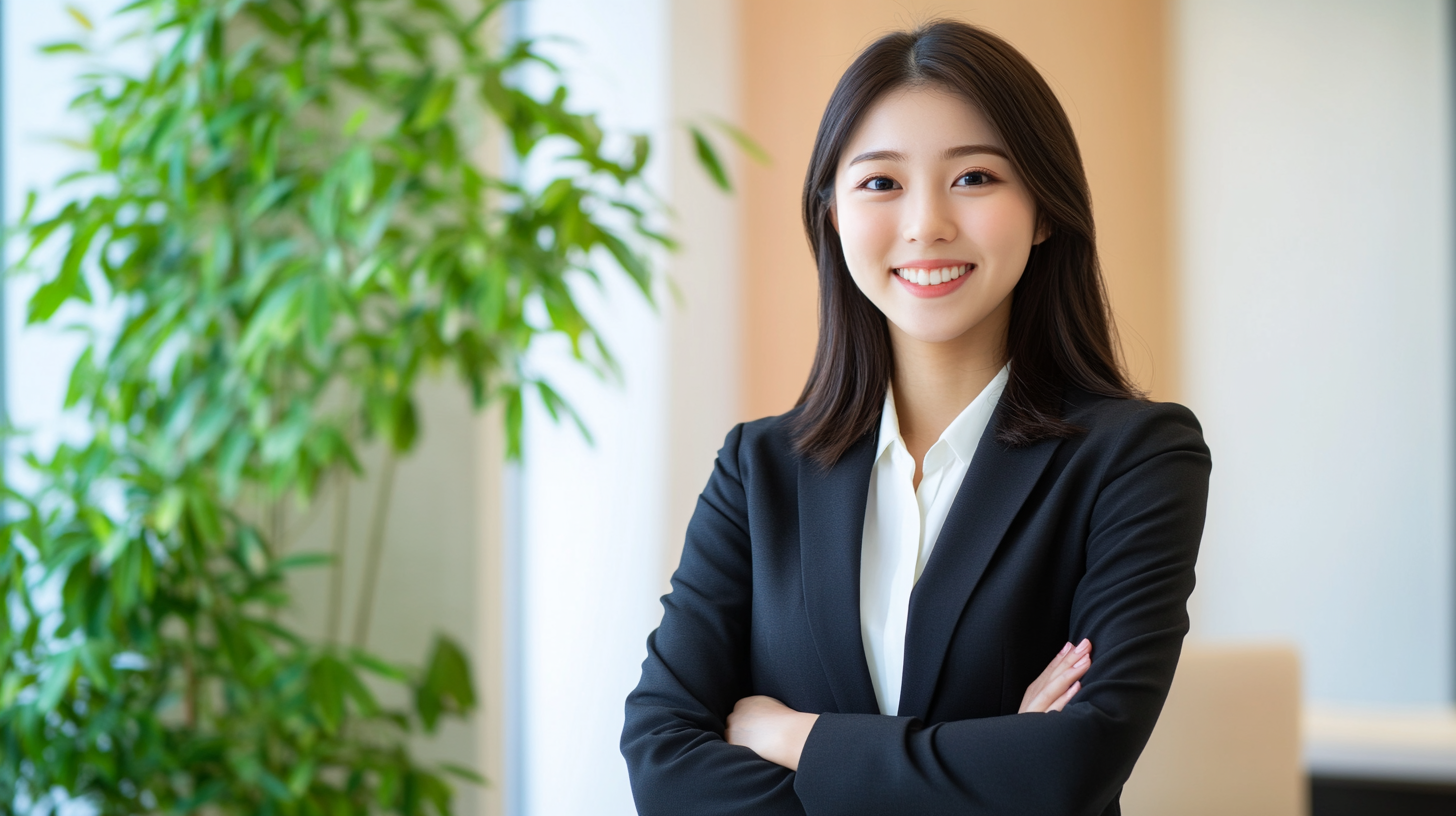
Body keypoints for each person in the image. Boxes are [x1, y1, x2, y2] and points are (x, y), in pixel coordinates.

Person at [621, 19, 1210, 816]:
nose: (926, 223)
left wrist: (794, 737)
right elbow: (662, 763)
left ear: (1044, 210)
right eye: (880, 183)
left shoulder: (1136, 459)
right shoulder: (757, 470)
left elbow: (1068, 768)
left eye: (974, 178)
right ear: (831, 215)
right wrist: (988, 761)